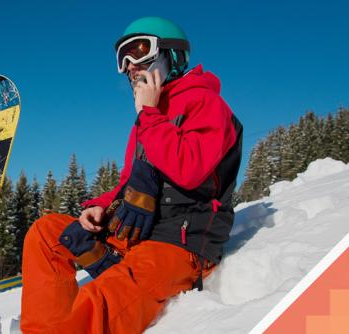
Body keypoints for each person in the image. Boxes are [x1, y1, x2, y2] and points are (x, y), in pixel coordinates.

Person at [20, 17, 243, 333]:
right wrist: (98, 206)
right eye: (122, 58)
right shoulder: (147, 117)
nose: (129, 66)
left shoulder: (205, 103)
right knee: (47, 234)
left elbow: (190, 170)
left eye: (138, 51)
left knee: (103, 297)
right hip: (137, 233)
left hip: (179, 244)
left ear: (172, 55)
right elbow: (129, 182)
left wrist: (149, 116)